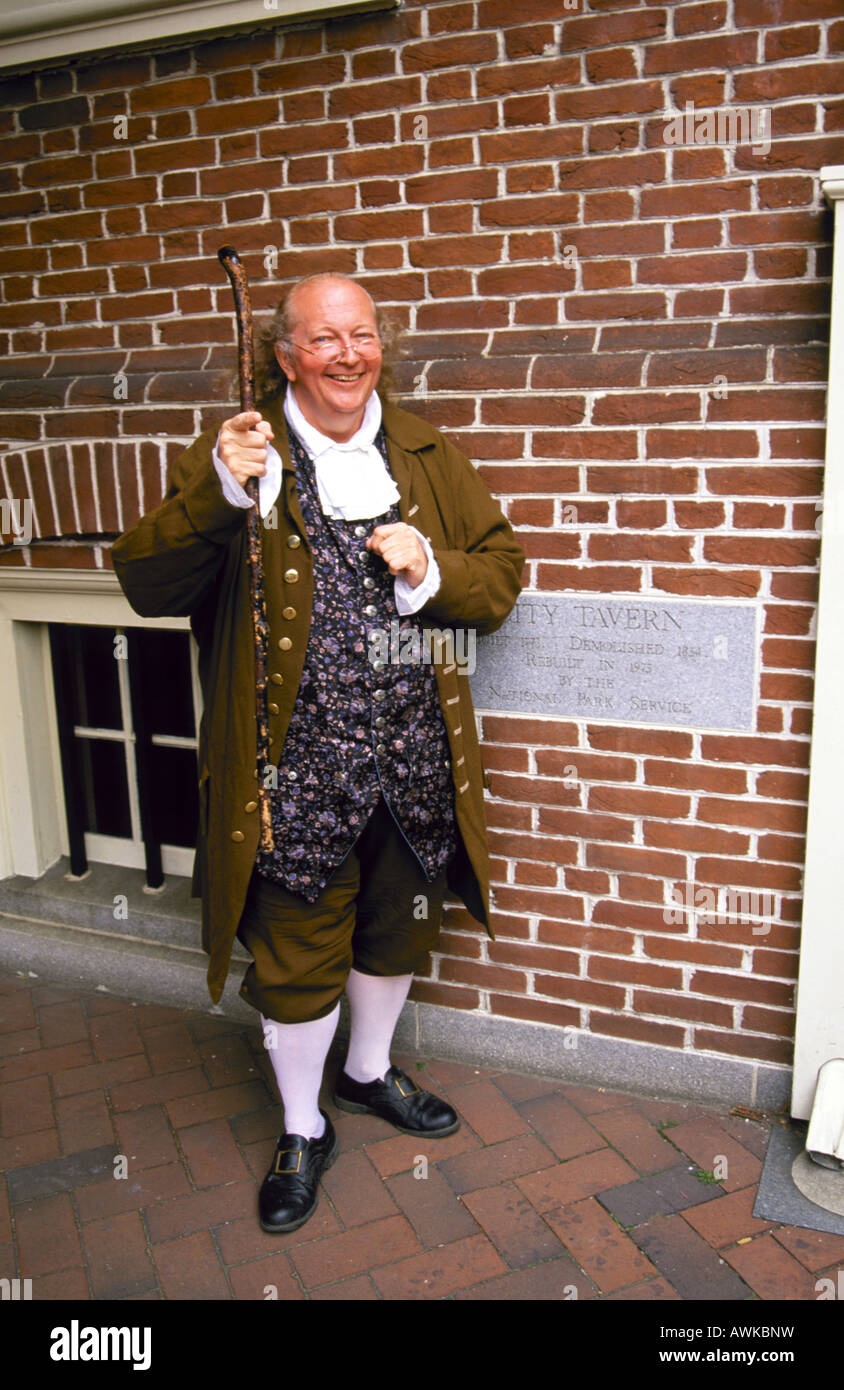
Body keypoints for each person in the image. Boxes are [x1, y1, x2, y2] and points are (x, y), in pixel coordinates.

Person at [112, 272, 525, 1234]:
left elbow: (503, 576)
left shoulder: (423, 451)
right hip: (291, 768)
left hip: (417, 755)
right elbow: (147, 583)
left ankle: (371, 1074)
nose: (348, 354)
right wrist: (220, 494)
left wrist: (433, 566)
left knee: (397, 928)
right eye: (324, 339)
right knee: (298, 955)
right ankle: (303, 1128)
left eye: (364, 335)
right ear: (286, 356)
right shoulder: (242, 453)